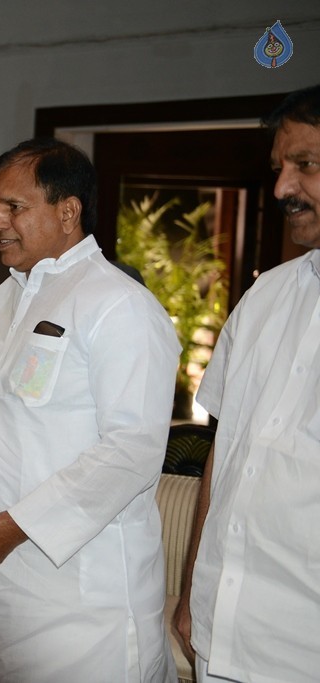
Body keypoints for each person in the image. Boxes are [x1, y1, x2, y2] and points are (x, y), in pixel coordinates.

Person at [0, 138, 179, 682]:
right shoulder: (8, 297)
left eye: (14, 207)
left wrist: (17, 526)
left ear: (68, 211)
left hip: (75, 600)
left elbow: (131, 450)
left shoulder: (121, 306)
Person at [175, 84, 320, 683]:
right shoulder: (266, 297)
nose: (284, 187)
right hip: (220, 628)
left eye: (306, 164)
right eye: (279, 169)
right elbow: (225, 454)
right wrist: (189, 593)